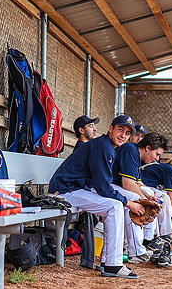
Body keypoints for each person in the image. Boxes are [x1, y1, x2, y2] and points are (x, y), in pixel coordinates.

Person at [49, 115, 146, 278]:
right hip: (64, 192)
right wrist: (130, 203)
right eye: (120, 129)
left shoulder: (106, 146)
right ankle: (112, 264)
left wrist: (127, 201)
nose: (123, 135)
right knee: (114, 206)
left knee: (116, 204)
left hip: (75, 189)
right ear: (110, 129)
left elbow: (102, 186)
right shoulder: (104, 147)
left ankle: (108, 261)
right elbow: (103, 188)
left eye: (128, 133)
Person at [112, 131, 168, 264]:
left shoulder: (136, 155)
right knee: (135, 199)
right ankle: (136, 252)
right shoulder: (130, 150)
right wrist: (145, 199)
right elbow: (127, 184)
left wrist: (148, 196)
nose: (157, 159)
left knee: (148, 196)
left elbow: (136, 182)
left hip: (114, 186)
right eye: (157, 154)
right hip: (104, 186)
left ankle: (146, 241)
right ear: (148, 147)